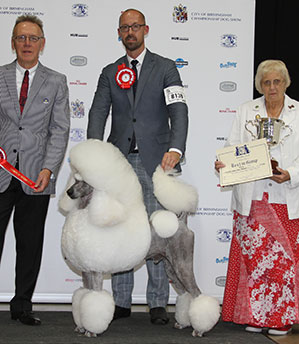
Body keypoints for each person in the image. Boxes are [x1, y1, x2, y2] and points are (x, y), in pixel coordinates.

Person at [87, 8, 188, 324]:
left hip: (156, 162)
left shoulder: (166, 68)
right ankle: (121, 302)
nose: (130, 32)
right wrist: (94, 155)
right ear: (119, 33)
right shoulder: (109, 72)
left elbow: (179, 112)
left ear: (146, 29)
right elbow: (97, 114)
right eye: (124, 28)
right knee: (120, 230)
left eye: (135, 26)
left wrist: (175, 148)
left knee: (156, 230)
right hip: (118, 164)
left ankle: (158, 302)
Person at [215, 60, 299, 336]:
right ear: (260, 85)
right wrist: (223, 164)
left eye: (277, 82)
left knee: (282, 263)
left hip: (285, 198)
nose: (272, 87)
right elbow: (231, 148)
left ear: (286, 83)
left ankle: (280, 319)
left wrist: (291, 174)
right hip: (251, 198)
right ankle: (253, 315)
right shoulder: (245, 111)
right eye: (266, 82)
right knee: (253, 261)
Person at [0, 15, 70, 326]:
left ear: (42, 43)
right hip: (0, 174)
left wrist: (49, 168)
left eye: (32, 38)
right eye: (21, 38)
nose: (26, 43)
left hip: (35, 178)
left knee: (30, 244)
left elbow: (59, 129)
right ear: (12, 42)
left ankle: (22, 305)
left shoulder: (56, 80)